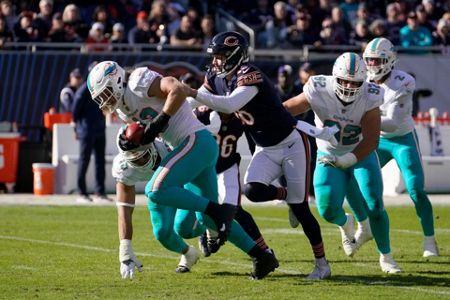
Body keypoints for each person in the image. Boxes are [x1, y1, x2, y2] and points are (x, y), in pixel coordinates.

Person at [87, 61, 279, 280]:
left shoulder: (137, 80)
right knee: (207, 221)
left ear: (117, 80)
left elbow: (176, 88)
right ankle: (262, 256)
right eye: (101, 98)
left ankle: (218, 210)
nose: (105, 100)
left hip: (194, 140)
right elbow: (147, 133)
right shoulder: (123, 110)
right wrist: (133, 141)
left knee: (155, 190)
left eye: (106, 93)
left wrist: (161, 120)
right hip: (196, 149)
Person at [188, 31, 339, 280]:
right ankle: (284, 201)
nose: (215, 61)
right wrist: (171, 110)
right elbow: (196, 103)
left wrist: (191, 93)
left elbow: (229, 105)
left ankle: (322, 264)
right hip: (264, 148)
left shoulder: (250, 74)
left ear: (234, 55)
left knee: (302, 210)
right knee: (252, 192)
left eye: (219, 56)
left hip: (291, 143)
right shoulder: (216, 76)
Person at [283, 52, 401, 274]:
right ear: (334, 77)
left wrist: (347, 159)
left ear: (363, 82)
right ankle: (345, 222)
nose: (348, 86)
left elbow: (372, 139)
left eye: (354, 82)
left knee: (374, 204)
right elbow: (288, 109)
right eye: (344, 81)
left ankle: (386, 256)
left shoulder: (370, 96)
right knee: (326, 209)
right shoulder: (319, 87)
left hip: (361, 152)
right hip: (327, 153)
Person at [363, 37, 438, 257]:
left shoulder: (403, 81)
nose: (372, 65)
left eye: (377, 60)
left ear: (389, 60)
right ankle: (361, 226)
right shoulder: (363, 81)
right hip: (377, 140)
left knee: (416, 190)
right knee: (361, 186)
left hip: (402, 139)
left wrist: (360, 120)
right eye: (369, 60)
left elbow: (393, 122)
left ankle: (429, 240)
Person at [112, 131, 204, 278]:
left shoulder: (168, 147)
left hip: (185, 177)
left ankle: (209, 225)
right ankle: (189, 253)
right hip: (158, 189)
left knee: (185, 227)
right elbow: (124, 210)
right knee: (162, 233)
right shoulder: (123, 168)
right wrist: (125, 249)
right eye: (134, 159)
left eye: (143, 156)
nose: (140, 163)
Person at [194, 107, 272, 257]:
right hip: (203, 169)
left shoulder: (241, 116)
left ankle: (264, 249)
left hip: (226, 166)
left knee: (235, 210)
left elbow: (253, 143)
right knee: (197, 205)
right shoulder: (202, 113)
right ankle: (204, 233)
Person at [72, 63, 112, 203]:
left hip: (100, 129)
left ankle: (100, 192)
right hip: (87, 130)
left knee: (100, 161)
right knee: (84, 160)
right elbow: (75, 113)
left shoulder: (102, 89)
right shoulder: (83, 91)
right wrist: (76, 128)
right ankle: (81, 192)